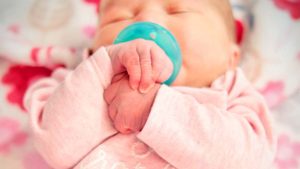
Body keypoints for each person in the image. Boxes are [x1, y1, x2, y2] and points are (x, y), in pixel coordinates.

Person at [24, 0, 276, 168]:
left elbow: (250, 160)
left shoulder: (232, 94)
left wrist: (154, 109)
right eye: (119, 17)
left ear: (230, 58)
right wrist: (104, 66)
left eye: (178, 10)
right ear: (91, 50)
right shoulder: (78, 81)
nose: (145, 19)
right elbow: (54, 146)